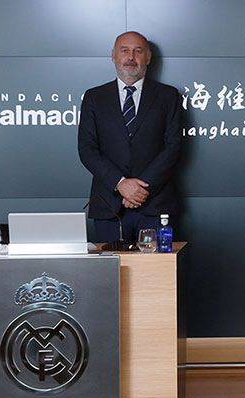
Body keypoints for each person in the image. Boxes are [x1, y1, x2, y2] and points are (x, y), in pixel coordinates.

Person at [78, 31, 183, 244]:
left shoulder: (168, 96)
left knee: (157, 266)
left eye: (138, 51)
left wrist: (140, 190)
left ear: (148, 57)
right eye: (124, 50)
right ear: (113, 56)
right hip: (109, 207)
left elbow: (173, 147)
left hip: (156, 205)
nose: (130, 57)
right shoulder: (94, 97)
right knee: (112, 266)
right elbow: (87, 149)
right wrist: (121, 184)